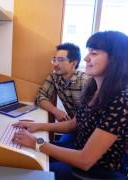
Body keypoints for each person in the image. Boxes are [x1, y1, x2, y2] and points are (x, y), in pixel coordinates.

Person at [12, 31, 128, 180]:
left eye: (93, 53)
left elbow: (85, 161)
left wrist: (37, 142)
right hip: (79, 148)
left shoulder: (120, 100)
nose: (86, 58)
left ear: (115, 60)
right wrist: (38, 126)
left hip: (97, 168)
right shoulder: (93, 88)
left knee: (29, 171)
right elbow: (73, 124)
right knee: (25, 157)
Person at [35, 42, 90, 143]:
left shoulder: (86, 82)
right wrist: (56, 111)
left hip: (88, 130)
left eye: (60, 60)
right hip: (72, 125)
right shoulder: (55, 75)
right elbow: (40, 97)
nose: (55, 64)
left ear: (73, 63)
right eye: (55, 59)